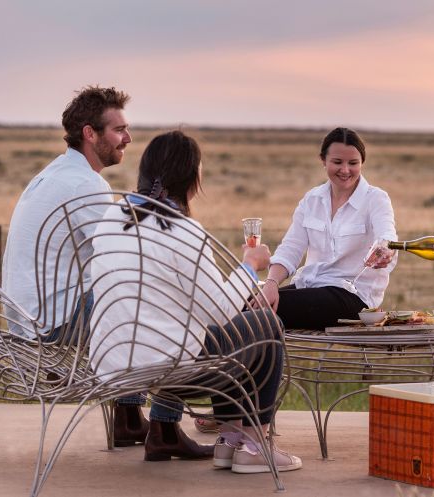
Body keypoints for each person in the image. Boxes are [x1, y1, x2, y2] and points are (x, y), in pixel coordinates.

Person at [89, 130, 302, 472]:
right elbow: (218, 311)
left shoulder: (112, 218)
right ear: (192, 176)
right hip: (171, 371)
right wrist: (250, 265)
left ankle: (230, 442)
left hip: (113, 364)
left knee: (232, 331)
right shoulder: (184, 230)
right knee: (266, 326)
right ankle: (253, 445)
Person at [1, 85, 152, 447]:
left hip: (27, 316)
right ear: (90, 133)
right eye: (118, 130)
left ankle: (130, 418)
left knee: (126, 298)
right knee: (152, 304)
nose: (128, 138)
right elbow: (128, 256)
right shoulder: (85, 185)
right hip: (53, 323)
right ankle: (162, 424)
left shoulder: (55, 174)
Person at [258, 127, 397, 330]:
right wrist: (271, 284)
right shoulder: (311, 200)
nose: (345, 170)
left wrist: (385, 249)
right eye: (337, 162)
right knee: (248, 303)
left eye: (353, 163)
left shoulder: (376, 199)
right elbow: (290, 249)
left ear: (362, 163)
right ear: (323, 160)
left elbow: (387, 235)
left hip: (353, 297)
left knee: (258, 314)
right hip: (310, 287)